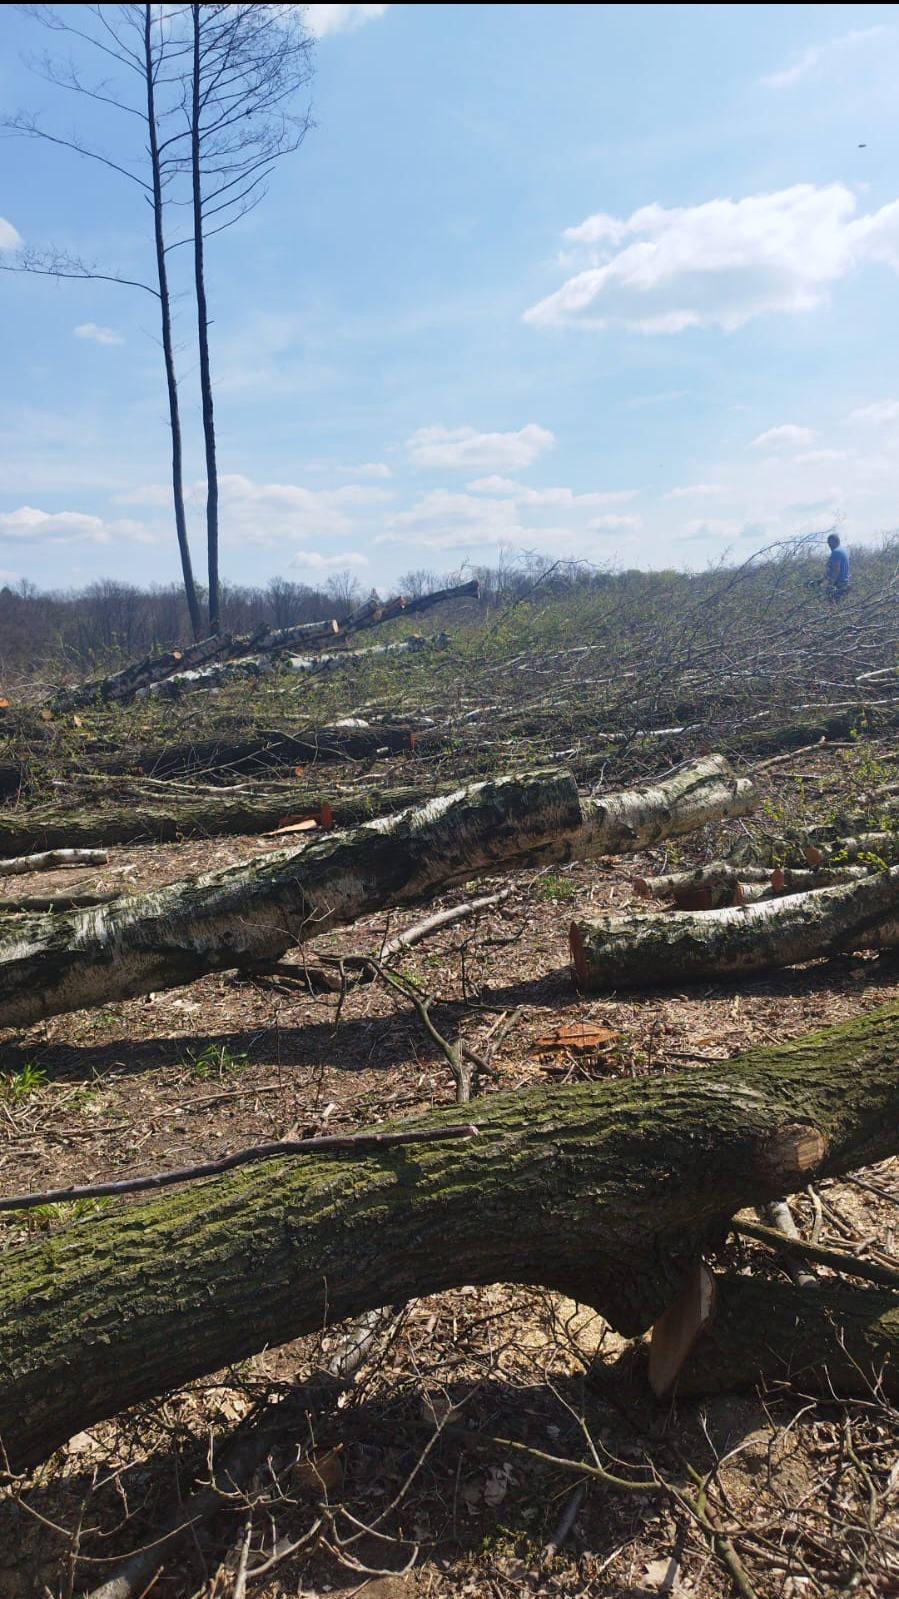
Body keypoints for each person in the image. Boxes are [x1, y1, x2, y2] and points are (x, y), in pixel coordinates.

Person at [824, 532, 850, 600]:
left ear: (833, 541)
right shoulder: (843, 551)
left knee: (833, 605)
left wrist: (830, 585)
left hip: (838, 585)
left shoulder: (836, 552)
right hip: (844, 584)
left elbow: (836, 569)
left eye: (829, 542)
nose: (828, 545)